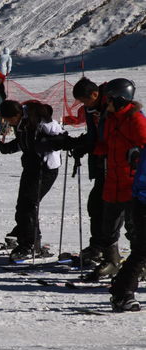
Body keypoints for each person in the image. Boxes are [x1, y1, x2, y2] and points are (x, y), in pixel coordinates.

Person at [82, 78, 146, 283]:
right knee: (107, 224)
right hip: (112, 179)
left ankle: (140, 264)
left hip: (131, 182)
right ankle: (112, 261)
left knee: (133, 226)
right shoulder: (109, 118)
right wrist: (91, 149)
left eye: (109, 98)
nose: (105, 102)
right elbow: (107, 144)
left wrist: (136, 153)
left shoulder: (135, 119)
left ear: (120, 98)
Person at [0, 100, 63, 262]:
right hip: (31, 167)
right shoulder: (21, 122)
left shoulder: (39, 120)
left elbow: (59, 136)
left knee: (28, 205)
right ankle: (29, 241)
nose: (9, 123)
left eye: (10, 120)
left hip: (45, 168)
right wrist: (5, 147)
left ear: (18, 114)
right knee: (23, 205)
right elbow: (23, 143)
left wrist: (48, 144)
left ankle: (29, 244)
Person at [108, 81, 146, 310]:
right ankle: (122, 293)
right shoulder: (132, 122)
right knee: (142, 249)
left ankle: (121, 290)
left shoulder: (137, 122)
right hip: (142, 197)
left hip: (137, 192)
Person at [70, 77, 109, 265]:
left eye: (85, 101)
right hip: (101, 164)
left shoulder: (111, 106)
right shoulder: (90, 109)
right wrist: (83, 146)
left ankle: (108, 250)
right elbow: (93, 136)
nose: (84, 105)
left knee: (113, 211)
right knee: (95, 205)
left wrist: (94, 148)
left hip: (117, 166)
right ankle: (97, 246)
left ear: (94, 94)